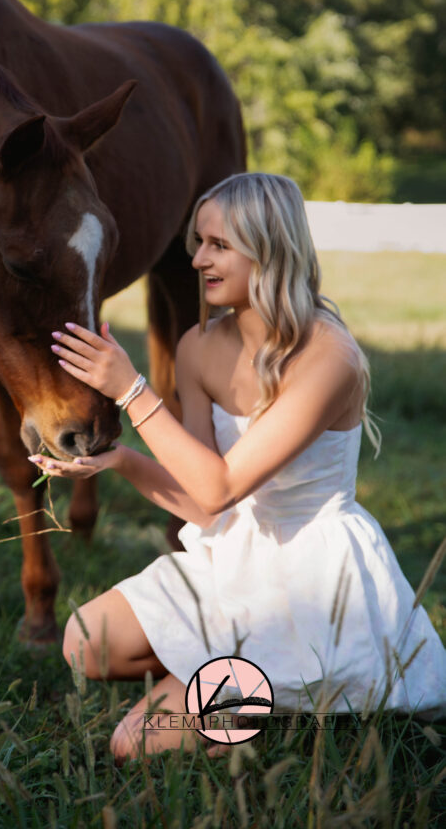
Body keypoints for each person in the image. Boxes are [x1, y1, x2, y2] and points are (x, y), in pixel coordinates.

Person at [29, 172, 446, 761]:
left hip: (312, 580)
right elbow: (202, 503)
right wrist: (119, 460)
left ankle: (285, 688)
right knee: (84, 642)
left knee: (132, 746)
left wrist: (131, 390)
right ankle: (251, 682)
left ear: (270, 247)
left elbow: (220, 487)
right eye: (197, 242)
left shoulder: (329, 357)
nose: (198, 260)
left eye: (218, 245)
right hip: (229, 556)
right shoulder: (200, 347)